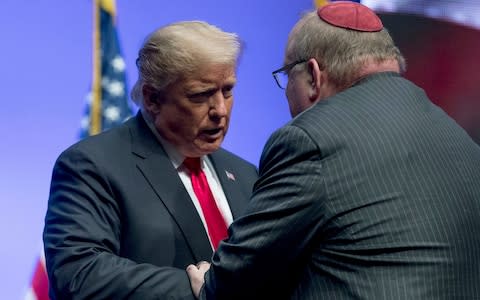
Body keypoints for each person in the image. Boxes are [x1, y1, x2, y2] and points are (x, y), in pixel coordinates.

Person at [186, 2, 480, 299]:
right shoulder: (456, 134)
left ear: (313, 75)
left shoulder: (308, 140)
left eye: (287, 76)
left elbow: (233, 281)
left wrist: (208, 282)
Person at [43, 21, 258, 299]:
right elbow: (78, 274)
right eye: (200, 95)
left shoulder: (246, 174)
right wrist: (201, 288)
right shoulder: (92, 166)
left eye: (227, 91)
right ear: (153, 98)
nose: (219, 110)